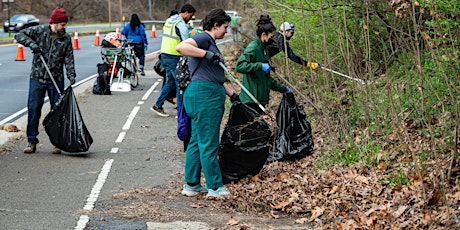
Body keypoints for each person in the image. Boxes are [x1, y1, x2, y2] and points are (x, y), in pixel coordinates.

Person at [175, 8, 238, 199]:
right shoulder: (204, 38)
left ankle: (192, 184)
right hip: (205, 96)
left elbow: (214, 76)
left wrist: (232, 94)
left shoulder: (210, 42)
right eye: (225, 27)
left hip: (201, 93)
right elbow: (181, 47)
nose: (226, 31)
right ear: (215, 24)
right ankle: (215, 187)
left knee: (196, 140)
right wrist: (205, 54)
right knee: (209, 141)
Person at [15, 7, 76, 154]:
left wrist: (71, 75)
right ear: (54, 23)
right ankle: (31, 141)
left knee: (57, 112)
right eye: (62, 24)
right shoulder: (39, 31)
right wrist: (32, 44)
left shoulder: (66, 38)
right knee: (34, 108)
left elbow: (69, 58)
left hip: (56, 79)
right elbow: (19, 35)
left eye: (65, 24)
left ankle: (57, 143)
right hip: (37, 78)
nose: (64, 27)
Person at [236, 15, 290, 114]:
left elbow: (265, 78)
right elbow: (240, 66)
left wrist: (283, 89)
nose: (273, 39)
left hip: (260, 99)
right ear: (264, 35)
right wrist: (260, 66)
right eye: (272, 36)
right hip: (251, 99)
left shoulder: (264, 49)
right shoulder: (253, 48)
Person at [151, 4, 196, 117]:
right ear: (185, 13)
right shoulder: (180, 24)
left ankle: (158, 105)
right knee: (179, 83)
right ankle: (180, 110)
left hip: (164, 55)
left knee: (170, 81)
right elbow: (186, 42)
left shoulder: (170, 20)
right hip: (173, 56)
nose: (190, 18)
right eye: (190, 16)